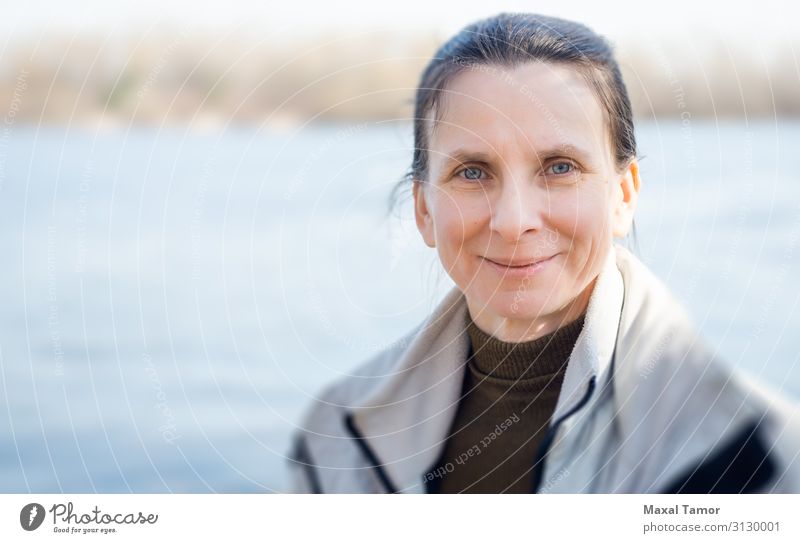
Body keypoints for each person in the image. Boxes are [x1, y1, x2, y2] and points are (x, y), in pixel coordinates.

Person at [286, 12, 800, 493]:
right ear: (424, 211)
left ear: (623, 195)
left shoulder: (757, 456)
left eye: (559, 167)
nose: (514, 221)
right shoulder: (336, 438)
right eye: (472, 172)